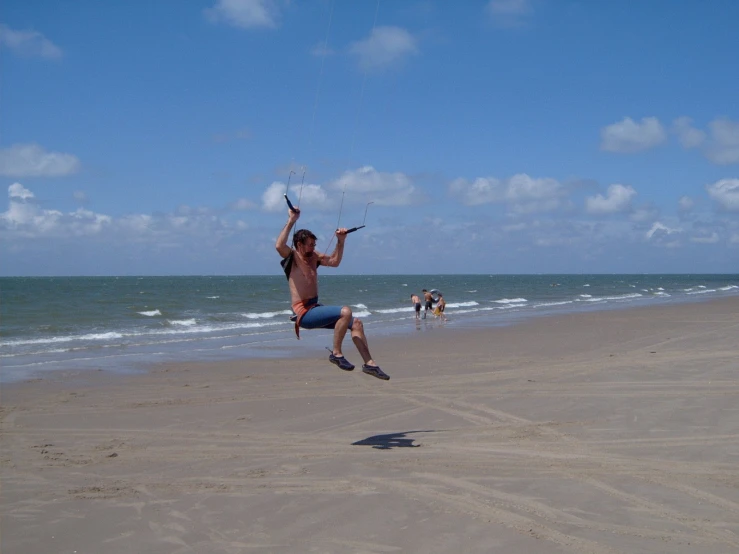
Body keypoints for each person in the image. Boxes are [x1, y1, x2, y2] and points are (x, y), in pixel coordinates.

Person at [275, 206, 389, 380]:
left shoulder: (314, 257)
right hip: (303, 313)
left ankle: (370, 364)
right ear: (299, 245)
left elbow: (334, 262)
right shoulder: (292, 257)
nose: (313, 248)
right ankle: (336, 354)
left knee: (356, 323)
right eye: (310, 245)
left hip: (315, 307)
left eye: (315, 244)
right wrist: (292, 220)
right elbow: (279, 245)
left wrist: (340, 240)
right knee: (345, 311)